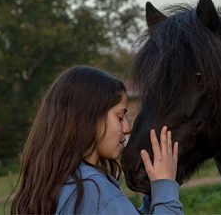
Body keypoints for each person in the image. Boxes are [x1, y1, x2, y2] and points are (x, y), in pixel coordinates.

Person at [10, 66, 183, 214]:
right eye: (120, 117)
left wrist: (155, 194)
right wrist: (166, 191)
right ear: (91, 119)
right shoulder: (92, 189)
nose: (127, 128)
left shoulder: (64, 183)